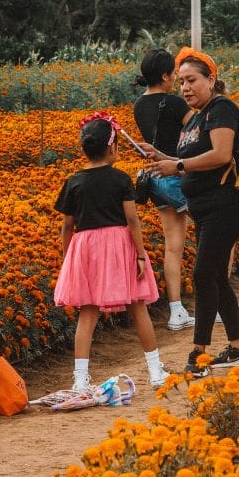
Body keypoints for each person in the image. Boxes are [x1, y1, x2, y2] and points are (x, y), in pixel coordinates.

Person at [139, 47, 239, 377]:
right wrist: (162, 157)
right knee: (216, 277)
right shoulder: (196, 118)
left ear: (211, 79)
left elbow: (221, 155)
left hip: (227, 206)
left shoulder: (221, 109)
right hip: (205, 209)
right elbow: (193, 164)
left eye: (192, 80)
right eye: (180, 83)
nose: (185, 88)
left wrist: (176, 163)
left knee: (204, 275)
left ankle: (198, 356)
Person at [53, 112, 168, 392]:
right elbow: (132, 220)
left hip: (86, 247)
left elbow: (67, 226)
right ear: (112, 147)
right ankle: (155, 370)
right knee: (137, 306)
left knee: (88, 312)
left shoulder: (74, 182)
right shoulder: (120, 179)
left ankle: (80, 379)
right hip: (119, 245)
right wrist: (141, 254)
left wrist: (69, 258)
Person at [133, 48, 196, 331]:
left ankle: (176, 310)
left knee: (173, 247)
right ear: (165, 76)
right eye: (174, 74)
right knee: (218, 231)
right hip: (177, 174)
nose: (177, 80)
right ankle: (219, 302)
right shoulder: (174, 103)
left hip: (155, 180)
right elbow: (197, 134)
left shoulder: (138, 105)